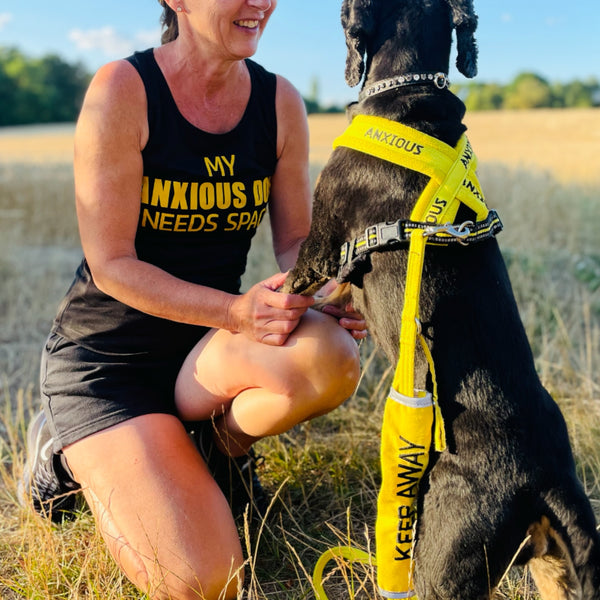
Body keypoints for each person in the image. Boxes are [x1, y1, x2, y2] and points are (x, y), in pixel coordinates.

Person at [18, 1, 366, 599]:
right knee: (206, 582)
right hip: (109, 364)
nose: (260, 3)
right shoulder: (123, 89)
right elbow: (113, 265)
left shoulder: (279, 102)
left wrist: (329, 287)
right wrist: (236, 312)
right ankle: (61, 460)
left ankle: (210, 450)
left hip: (203, 351)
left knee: (331, 357)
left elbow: (295, 241)